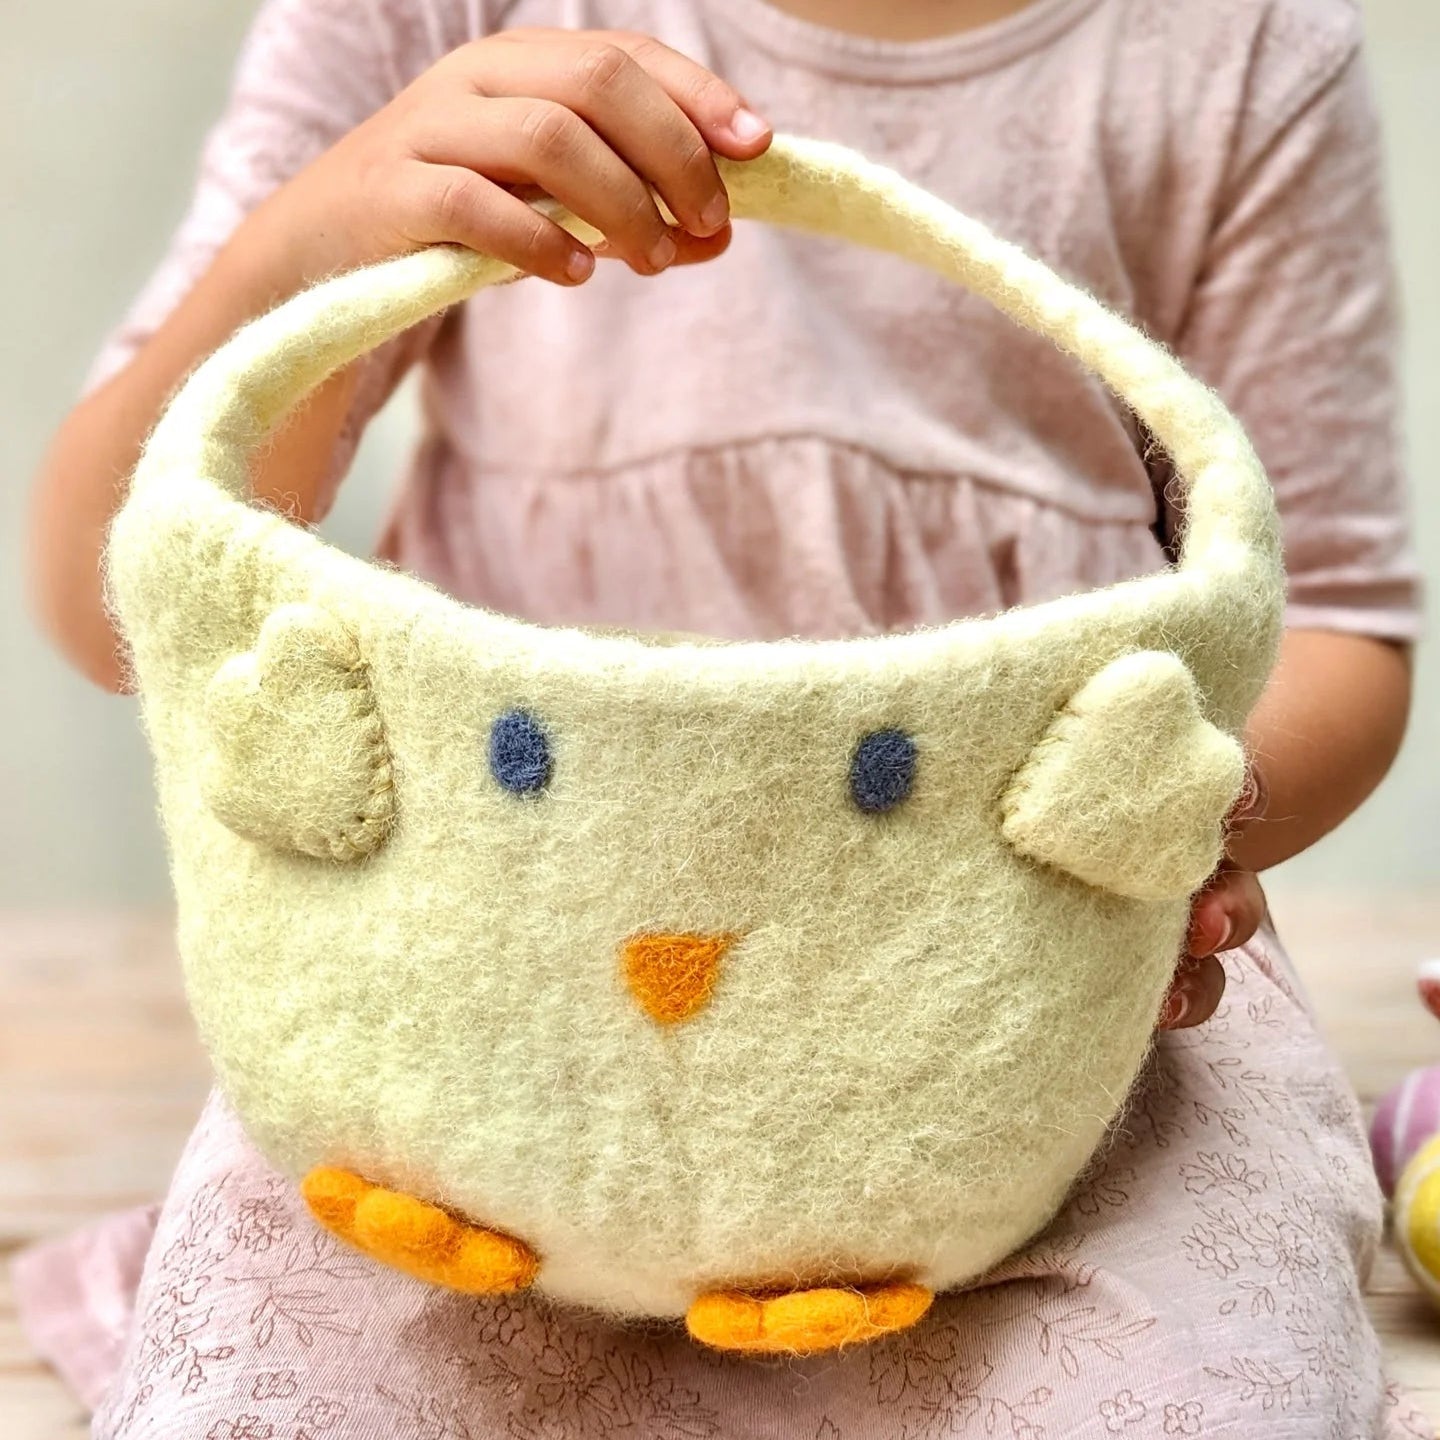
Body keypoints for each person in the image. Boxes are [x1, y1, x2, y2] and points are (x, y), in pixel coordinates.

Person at [18, 0, 1428, 1433]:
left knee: (1209, 1379)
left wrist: (1192, 809)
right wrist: (319, 239)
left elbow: (1337, 616)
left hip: (1037, 995)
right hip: (459, 1021)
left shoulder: (1243, 48)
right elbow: (112, 596)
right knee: (273, 1377)